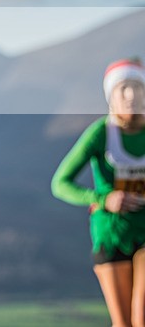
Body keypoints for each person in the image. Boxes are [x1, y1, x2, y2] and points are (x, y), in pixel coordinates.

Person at [52, 57, 145, 327]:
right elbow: (60, 183)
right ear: (110, 96)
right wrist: (103, 199)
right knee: (123, 323)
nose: (130, 96)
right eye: (122, 89)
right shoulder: (100, 134)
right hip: (111, 235)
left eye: (137, 88)